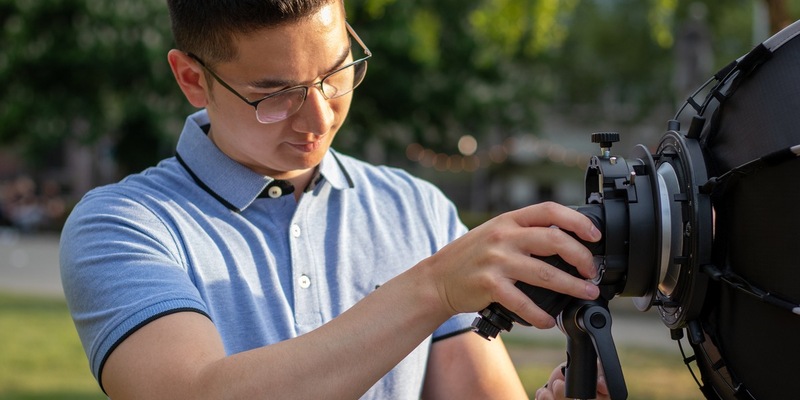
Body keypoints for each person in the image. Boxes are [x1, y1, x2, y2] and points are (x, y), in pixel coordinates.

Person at [59, 1, 603, 398]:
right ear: (192, 79)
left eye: (336, 72)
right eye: (275, 96)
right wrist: (432, 287)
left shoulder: (417, 207)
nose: (319, 118)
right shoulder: (123, 225)